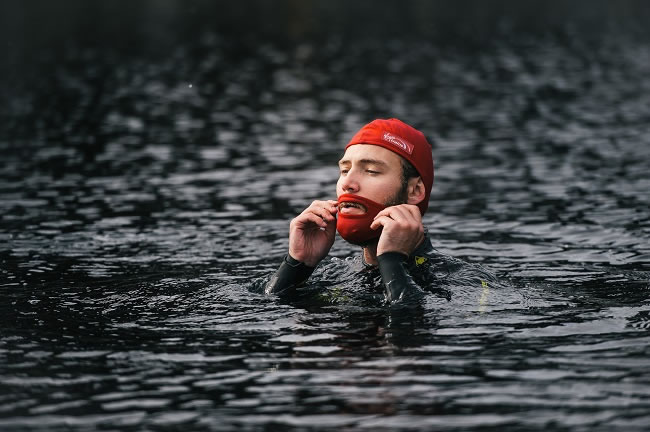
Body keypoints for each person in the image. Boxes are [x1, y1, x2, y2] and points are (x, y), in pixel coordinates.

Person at [266, 118, 448, 306]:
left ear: (415, 191)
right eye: (344, 170)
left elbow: (410, 328)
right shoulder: (333, 273)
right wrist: (297, 264)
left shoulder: (458, 278)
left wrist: (392, 261)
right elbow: (267, 315)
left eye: (371, 171)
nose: (346, 183)